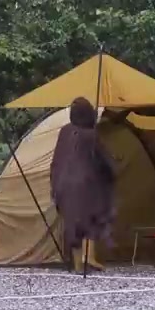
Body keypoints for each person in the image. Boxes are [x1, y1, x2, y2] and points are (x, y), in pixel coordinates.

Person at [50, 96, 117, 273]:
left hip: (62, 185)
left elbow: (57, 160)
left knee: (73, 225)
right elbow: (103, 161)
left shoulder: (64, 132)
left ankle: (78, 264)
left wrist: (54, 186)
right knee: (93, 217)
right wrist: (112, 172)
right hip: (85, 185)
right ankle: (90, 256)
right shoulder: (91, 135)